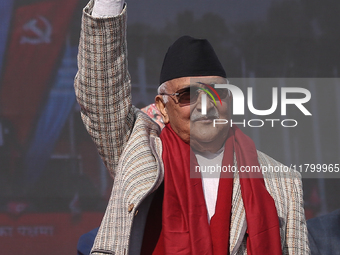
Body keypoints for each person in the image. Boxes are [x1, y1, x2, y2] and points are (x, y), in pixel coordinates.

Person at [74, 0, 310, 254]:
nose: (205, 106)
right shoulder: (140, 151)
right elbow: (101, 95)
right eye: (188, 95)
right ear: (163, 108)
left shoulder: (282, 181)